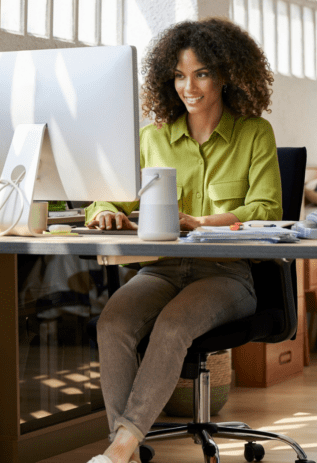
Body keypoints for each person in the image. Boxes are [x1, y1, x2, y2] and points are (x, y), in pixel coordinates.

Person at [85, 17, 281, 463]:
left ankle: (118, 448)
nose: (187, 86)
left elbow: (267, 210)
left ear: (226, 74)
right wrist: (107, 213)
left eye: (201, 73)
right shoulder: (152, 138)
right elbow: (104, 195)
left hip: (227, 275)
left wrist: (204, 222)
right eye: (178, 75)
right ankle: (127, 451)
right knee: (112, 324)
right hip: (161, 268)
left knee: (173, 326)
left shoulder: (254, 133)